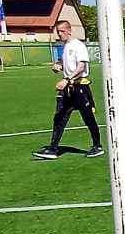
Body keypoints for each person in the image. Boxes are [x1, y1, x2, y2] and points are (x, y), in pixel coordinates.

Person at [32, 20, 102, 160]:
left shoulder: (78, 46)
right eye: (58, 32)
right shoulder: (65, 47)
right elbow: (67, 64)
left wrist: (67, 79)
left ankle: (97, 146)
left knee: (88, 118)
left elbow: (81, 67)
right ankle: (53, 148)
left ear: (69, 31)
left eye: (62, 31)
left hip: (80, 87)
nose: (59, 34)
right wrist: (58, 66)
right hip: (68, 88)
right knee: (59, 117)